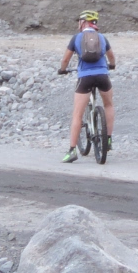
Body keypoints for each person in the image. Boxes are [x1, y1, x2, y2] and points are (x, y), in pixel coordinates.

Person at [57, 10, 115, 163]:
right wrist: (112, 65)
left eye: (79, 21)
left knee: (77, 114)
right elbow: (112, 57)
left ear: (83, 22)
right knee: (108, 105)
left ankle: (71, 151)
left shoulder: (76, 38)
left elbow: (65, 60)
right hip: (103, 76)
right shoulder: (102, 38)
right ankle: (108, 140)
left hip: (85, 77)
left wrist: (62, 70)